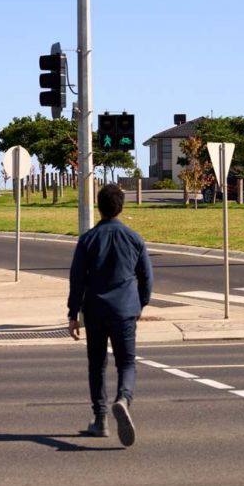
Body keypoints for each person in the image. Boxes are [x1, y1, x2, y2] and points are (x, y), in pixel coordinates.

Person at [67, 183, 153, 447]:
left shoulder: (88, 239)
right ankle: (123, 399)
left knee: (97, 364)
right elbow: (147, 278)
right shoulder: (134, 238)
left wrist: (73, 313)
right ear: (121, 207)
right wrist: (140, 304)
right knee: (126, 363)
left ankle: (101, 419)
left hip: (95, 310)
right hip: (125, 310)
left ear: (99, 206)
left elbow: (77, 279)